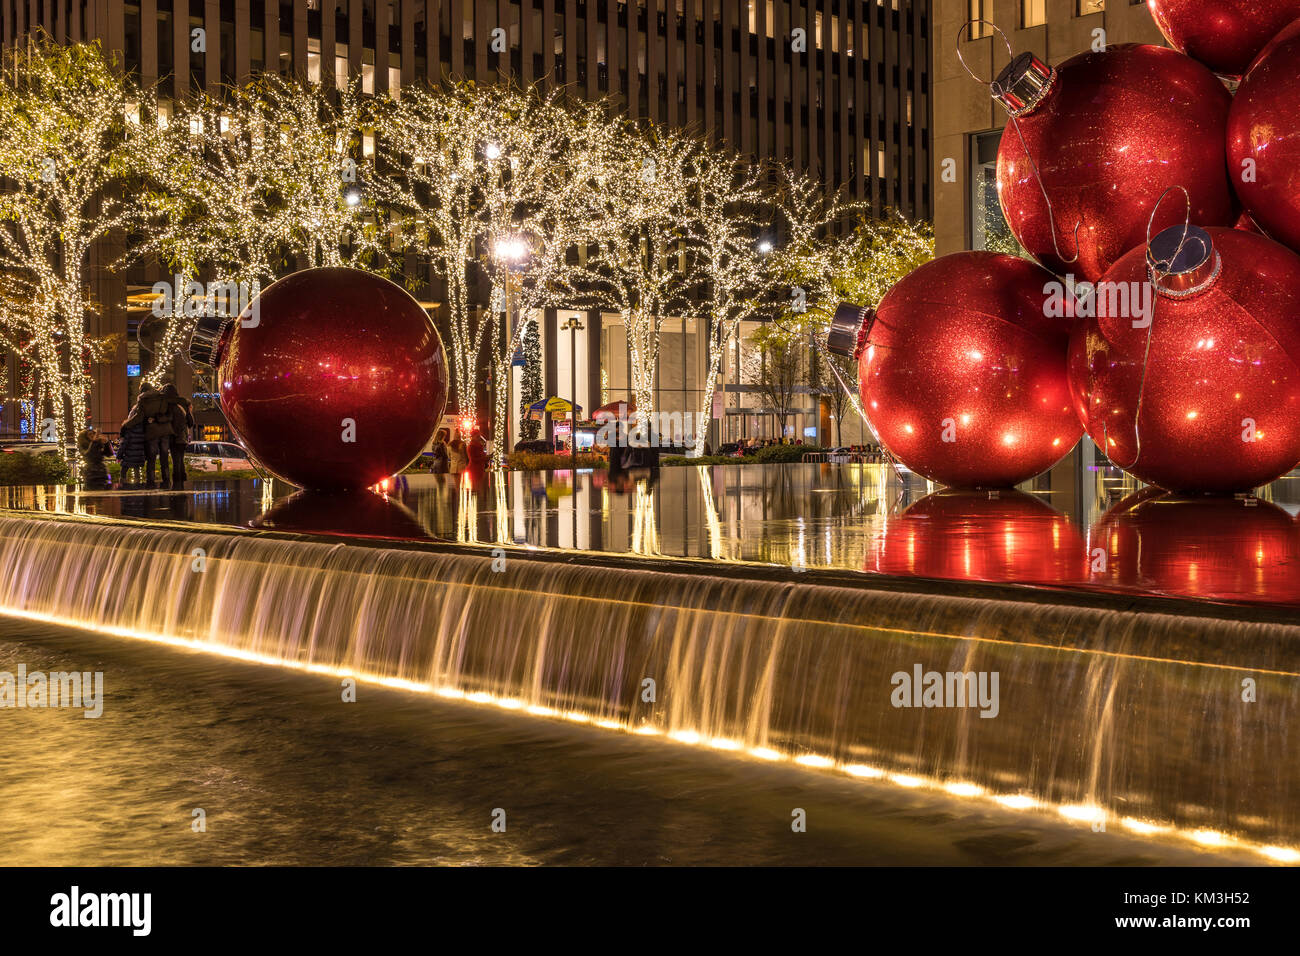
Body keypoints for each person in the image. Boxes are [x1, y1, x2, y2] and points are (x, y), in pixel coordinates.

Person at [131, 381, 173, 489]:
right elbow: (169, 415)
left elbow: (139, 416)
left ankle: (151, 481)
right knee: (164, 457)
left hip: (152, 431)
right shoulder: (163, 397)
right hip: (164, 431)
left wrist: (126, 424)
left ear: (142, 390)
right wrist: (159, 418)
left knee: (151, 458)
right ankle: (167, 480)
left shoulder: (143, 400)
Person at [161, 383, 194, 490]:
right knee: (180, 458)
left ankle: (177, 482)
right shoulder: (183, 403)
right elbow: (190, 421)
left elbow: (170, 420)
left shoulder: (168, 405)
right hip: (183, 435)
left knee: (176, 460)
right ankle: (181, 480)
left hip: (174, 436)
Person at [117, 411, 146, 488]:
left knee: (123, 471)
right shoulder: (143, 429)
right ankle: (137, 485)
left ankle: (122, 485)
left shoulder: (128, 429)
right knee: (137, 471)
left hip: (128, 455)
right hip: (139, 455)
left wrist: (119, 456)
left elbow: (124, 444)